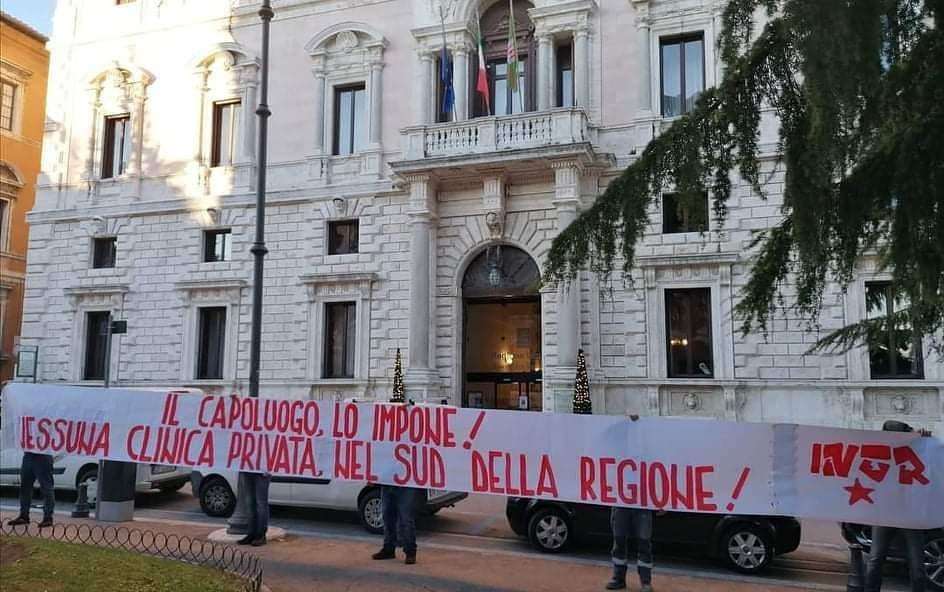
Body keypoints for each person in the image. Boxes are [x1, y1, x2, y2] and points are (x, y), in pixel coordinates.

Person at [863, 419, 932, 592]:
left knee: (917, 566)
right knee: (875, 560)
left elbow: (932, 464)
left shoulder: (916, 451)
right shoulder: (880, 454)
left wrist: (926, 440)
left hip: (910, 516)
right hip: (886, 514)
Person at [607, 414, 654, 591]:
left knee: (644, 542)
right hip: (621, 499)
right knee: (619, 540)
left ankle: (645, 581)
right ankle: (619, 578)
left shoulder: (648, 450)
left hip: (643, 501)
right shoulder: (618, 449)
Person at [6, 452, 56, 528]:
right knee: (25, 487)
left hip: (42, 455)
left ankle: (48, 517)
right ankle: (24, 516)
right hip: (29, 455)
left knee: (46, 488)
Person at [372, 485, 420, 564]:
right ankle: (389, 549)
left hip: (406, 485)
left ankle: (410, 552)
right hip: (388, 484)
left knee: (406, 518)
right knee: (387, 516)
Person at [237, 472, 270, 547]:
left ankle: (261, 535)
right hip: (247, 470)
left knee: (261, 503)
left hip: (262, 470)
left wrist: (268, 468)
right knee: (249, 502)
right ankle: (251, 533)